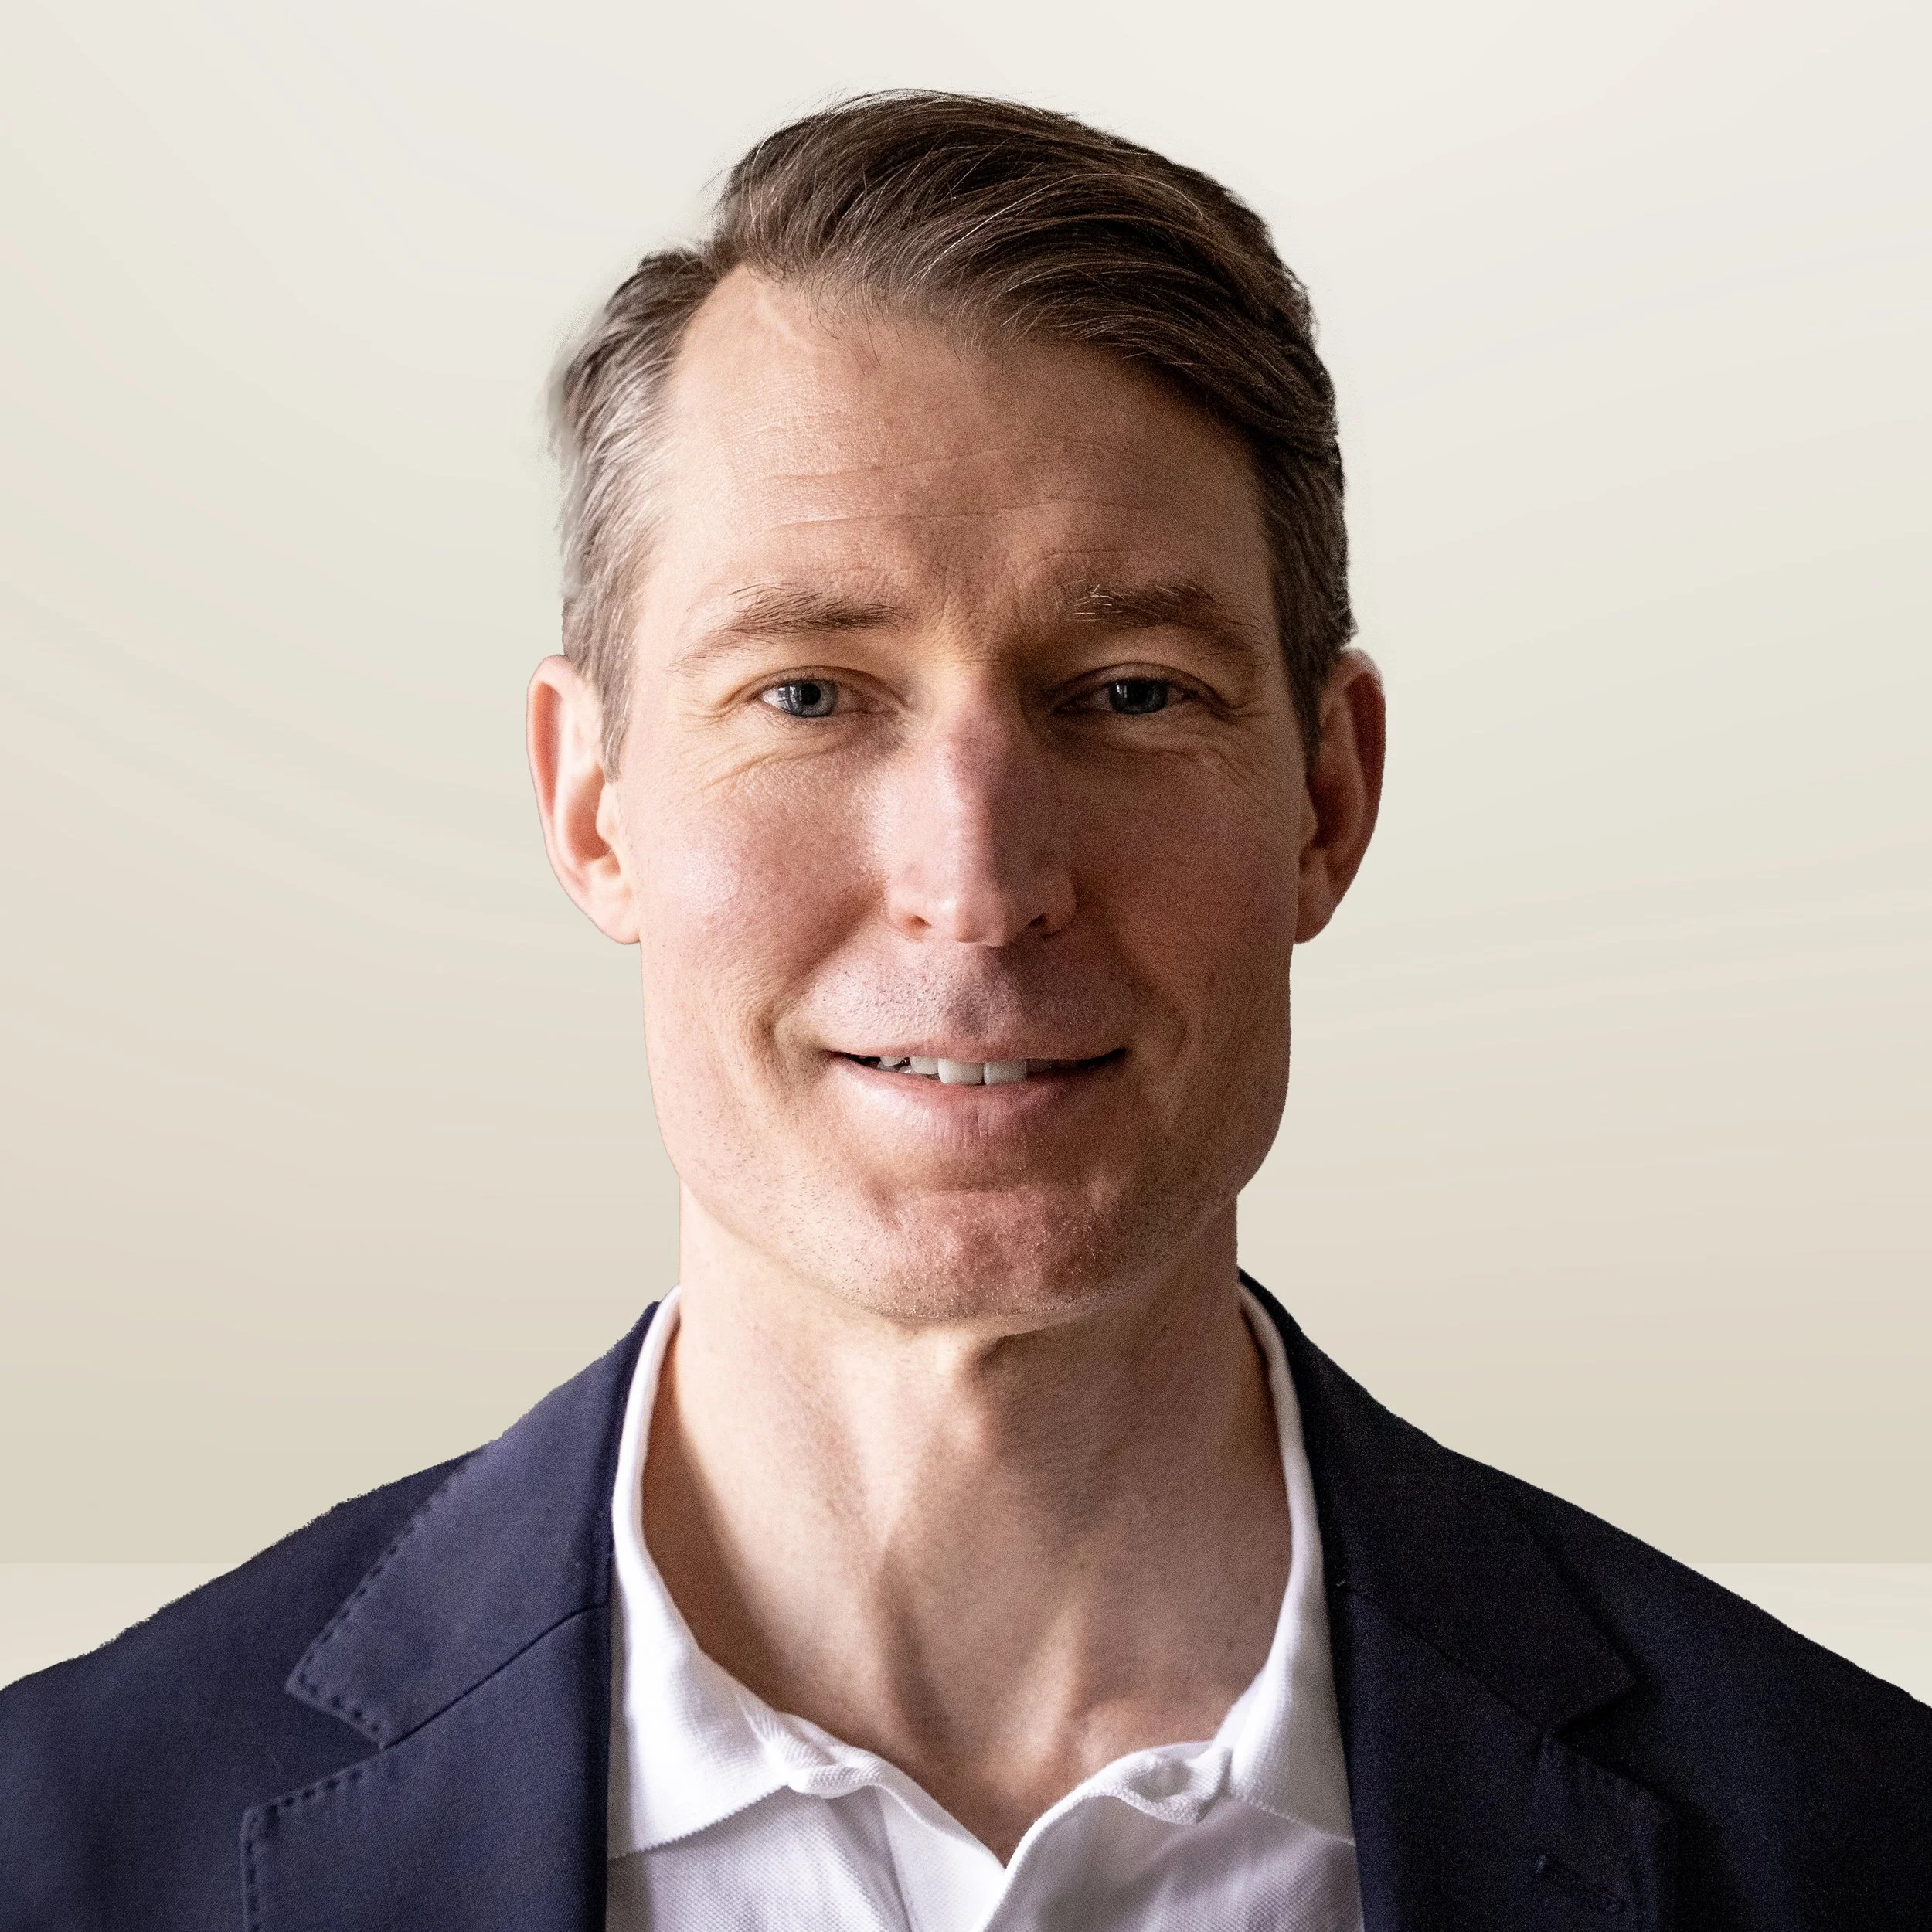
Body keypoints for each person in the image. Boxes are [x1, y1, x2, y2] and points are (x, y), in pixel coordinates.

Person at [2, 90, 1925, 1932]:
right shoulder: (65, 1849)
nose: (980, 881)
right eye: (811, 694)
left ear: (1327, 798)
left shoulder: (1852, 1843)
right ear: (592, 806)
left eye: (1131, 690)